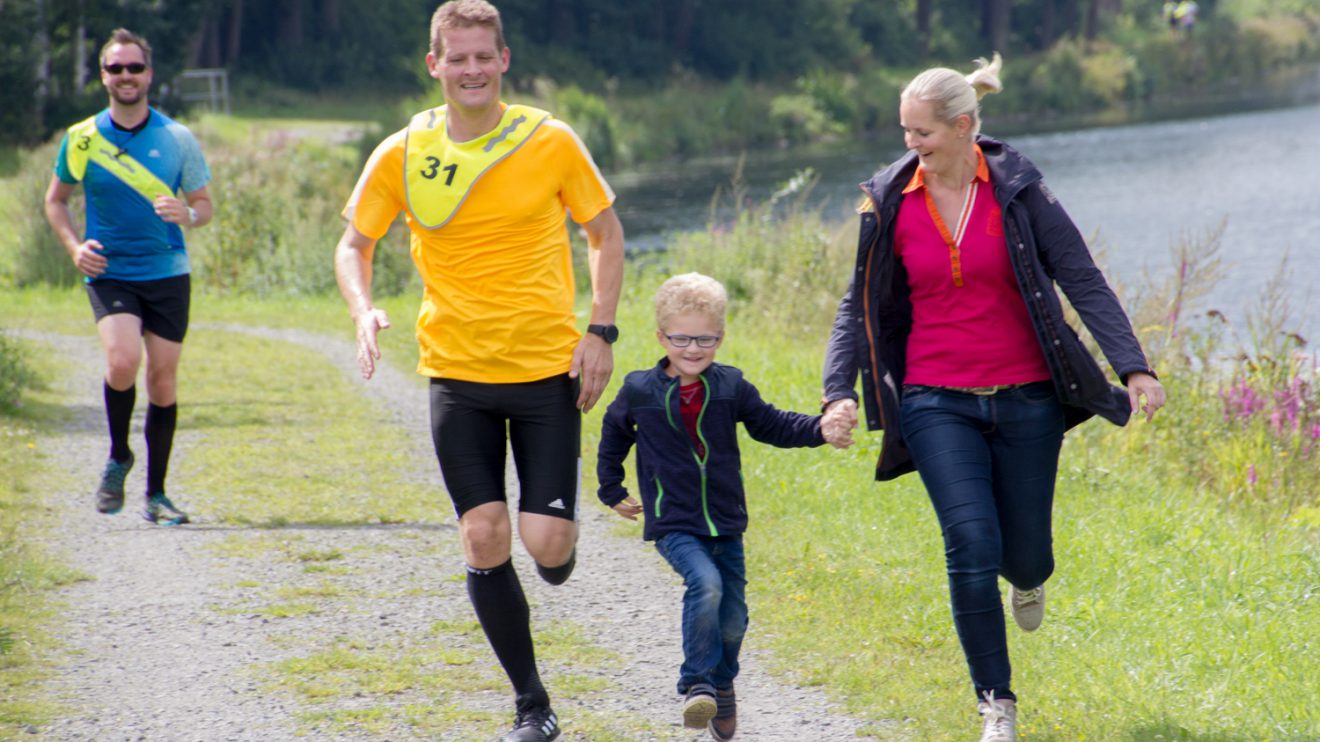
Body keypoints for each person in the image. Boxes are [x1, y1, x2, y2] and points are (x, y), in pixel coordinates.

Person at [820, 54, 1165, 742]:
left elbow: (1081, 276)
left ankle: (1027, 576)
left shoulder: (1017, 189)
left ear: (965, 126)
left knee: (1027, 553)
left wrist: (1134, 367)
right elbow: (854, 305)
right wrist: (838, 392)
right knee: (969, 543)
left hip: (1027, 398)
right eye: (905, 131)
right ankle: (995, 704)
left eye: (922, 133)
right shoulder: (888, 201)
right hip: (932, 398)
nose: (909, 145)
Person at [332, 2, 624, 740]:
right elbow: (353, 244)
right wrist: (362, 309)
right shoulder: (402, 151)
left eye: (481, 57)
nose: (469, 70)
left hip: (545, 370)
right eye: (455, 58)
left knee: (547, 547)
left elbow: (604, 231)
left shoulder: (549, 139)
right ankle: (533, 705)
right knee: (484, 534)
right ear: (433, 65)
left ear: (503, 60)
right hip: (456, 373)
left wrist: (600, 330)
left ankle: (559, 541)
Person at [597, 272, 844, 741]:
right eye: (682, 338)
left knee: (734, 619)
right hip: (674, 522)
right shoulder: (639, 390)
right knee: (705, 585)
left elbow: (773, 424)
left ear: (720, 337)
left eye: (705, 339)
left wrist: (820, 429)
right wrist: (612, 489)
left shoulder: (731, 386)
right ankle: (696, 684)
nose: (693, 348)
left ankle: (722, 686)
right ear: (661, 336)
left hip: (726, 522)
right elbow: (612, 438)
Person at [44, 28, 213, 526]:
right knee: (122, 362)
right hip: (110, 271)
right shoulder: (82, 138)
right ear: (103, 77)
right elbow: (55, 200)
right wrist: (75, 248)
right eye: (115, 68)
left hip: (167, 273)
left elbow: (204, 208)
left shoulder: (177, 138)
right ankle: (119, 456)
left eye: (134, 67)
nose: (125, 76)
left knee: (162, 380)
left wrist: (187, 215)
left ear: (149, 74)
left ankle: (156, 495)